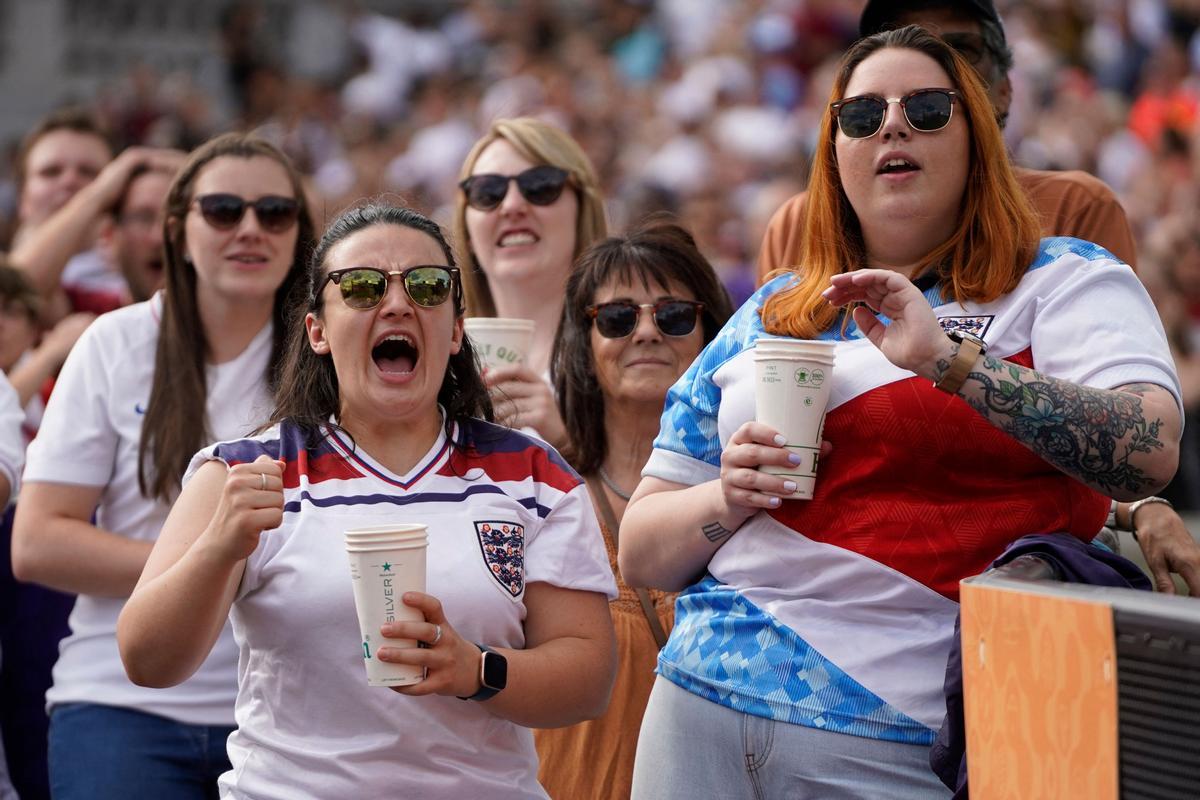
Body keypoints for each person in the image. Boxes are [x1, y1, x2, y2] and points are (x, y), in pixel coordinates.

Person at [620, 26, 1181, 799]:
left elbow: (1149, 448)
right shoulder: (769, 311)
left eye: (925, 108)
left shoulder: (1064, 280)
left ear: (976, 138)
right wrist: (726, 496)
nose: (891, 126)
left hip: (897, 732)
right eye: (861, 115)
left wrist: (946, 361)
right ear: (835, 153)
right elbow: (642, 550)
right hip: (696, 704)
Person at [117, 202, 618, 799]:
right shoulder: (244, 471)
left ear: (458, 329)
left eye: (429, 286)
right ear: (317, 331)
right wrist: (218, 547)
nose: (399, 303)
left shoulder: (533, 472)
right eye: (361, 287)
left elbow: (588, 677)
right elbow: (147, 661)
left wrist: (474, 669)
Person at [757, 0, 1200, 596]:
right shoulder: (798, 233)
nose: (902, 109)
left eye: (955, 57)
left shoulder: (1071, 227)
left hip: (1005, 571)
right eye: (866, 109)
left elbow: (1114, 404)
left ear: (1001, 90)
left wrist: (1139, 505)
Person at [12, 132, 316, 799]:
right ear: (177, 230)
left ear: (300, 231)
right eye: (223, 210)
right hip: (120, 705)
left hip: (289, 713)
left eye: (274, 212)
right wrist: (207, 557)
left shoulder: (327, 358)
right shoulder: (115, 342)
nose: (249, 229)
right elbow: (36, 543)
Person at [536, 219, 734, 799]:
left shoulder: (752, 492)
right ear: (584, 343)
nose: (647, 332)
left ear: (711, 336)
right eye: (618, 318)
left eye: (674, 315)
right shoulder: (539, 493)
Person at [453, 117, 608, 448]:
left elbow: (656, 496)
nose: (511, 206)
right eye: (487, 192)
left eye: (540, 186)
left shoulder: (627, 338)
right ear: (466, 228)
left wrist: (566, 442)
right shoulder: (435, 355)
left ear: (583, 208)